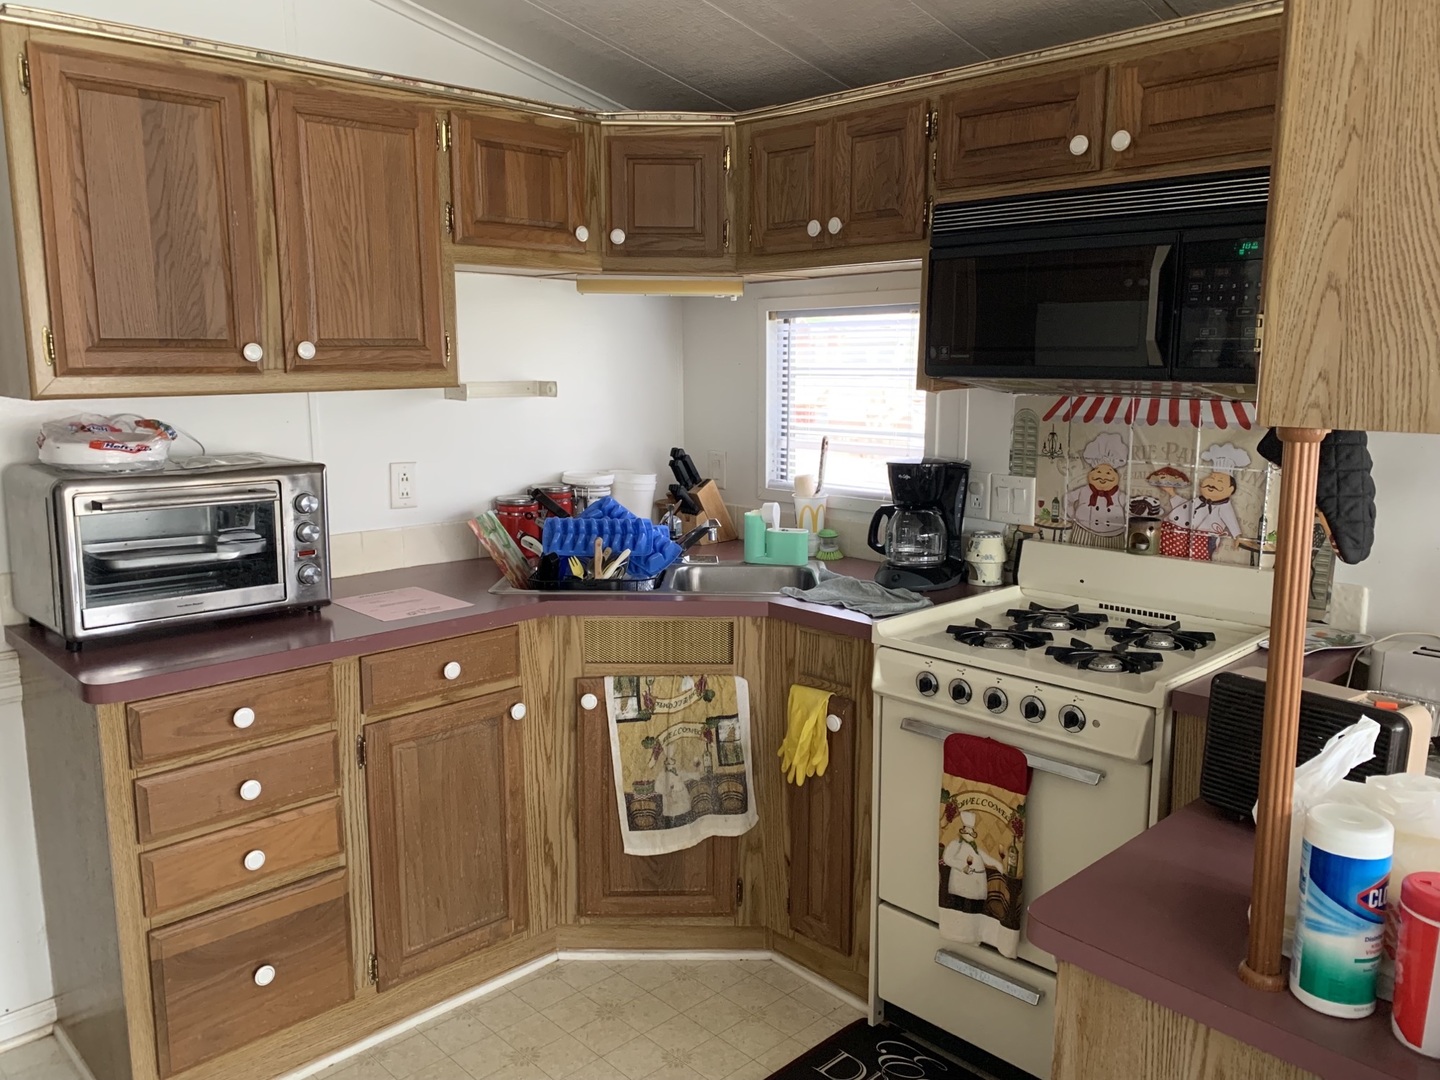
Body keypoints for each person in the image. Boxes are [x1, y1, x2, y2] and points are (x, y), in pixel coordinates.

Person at [1157, 443, 1250, 560]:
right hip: (1177, 535)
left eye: (1220, 481)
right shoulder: (1199, 500)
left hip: (1203, 540)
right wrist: (1171, 493)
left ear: (1230, 490)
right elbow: (1185, 507)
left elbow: (1231, 520)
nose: (1212, 483)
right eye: (1211, 478)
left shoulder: (1224, 507)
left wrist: (1238, 536)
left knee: (1197, 564)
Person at [1063, 432, 1129, 549]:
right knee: (1078, 560)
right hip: (1083, 532)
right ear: (1092, 473)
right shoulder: (1083, 490)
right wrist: (1072, 516)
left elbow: (1131, 508)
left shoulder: (1119, 495)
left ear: (1115, 475)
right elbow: (1067, 499)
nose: (1103, 476)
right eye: (1098, 472)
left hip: (1113, 536)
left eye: (1108, 473)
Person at [942, 811, 1005, 913]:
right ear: (963, 831)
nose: (970, 834)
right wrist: (963, 866)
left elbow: (985, 857)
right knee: (959, 910)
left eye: (972, 832)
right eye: (968, 832)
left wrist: (997, 864)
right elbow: (947, 858)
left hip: (976, 885)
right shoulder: (956, 844)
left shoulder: (975, 847)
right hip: (961, 883)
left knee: (976, 911)